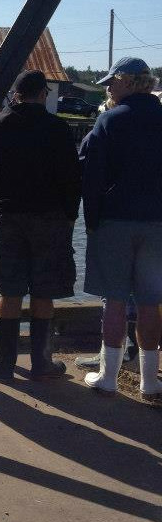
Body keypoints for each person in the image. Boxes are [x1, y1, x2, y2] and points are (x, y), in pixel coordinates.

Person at [0, 69, 80, 382]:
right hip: (50, 218)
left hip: (8, 216)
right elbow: (72, 178)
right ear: (42, 93)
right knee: (43, 290)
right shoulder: (57, 127)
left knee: (9, 291)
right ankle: (42, 363)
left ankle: (3, 364)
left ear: (17, 93)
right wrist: (70, 215)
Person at [80, 57, 162, 399]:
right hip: (158, 223)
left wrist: (92, 219)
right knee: (150, 302)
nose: (109, 88)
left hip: (115, 221)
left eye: (112, 82)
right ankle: (150, 381)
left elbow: (91, 173)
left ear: (128, 81)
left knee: (114, 300)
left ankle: (108, 376)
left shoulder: (109, 120)